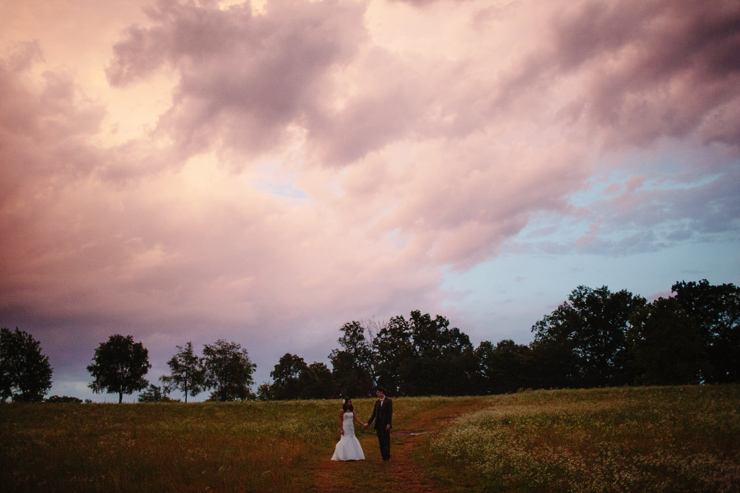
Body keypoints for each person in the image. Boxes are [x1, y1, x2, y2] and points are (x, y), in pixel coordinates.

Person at [364, 386, 393, 461]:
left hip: (385, 424)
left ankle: (387, 456)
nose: (377, 394)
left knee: (386, 440)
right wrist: (368, 423)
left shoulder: (389, 401)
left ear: (382, 392)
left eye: (378, 392)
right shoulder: (377, 402)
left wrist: (388, 424)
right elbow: (374, 414)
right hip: (378, 424)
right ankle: (383, 456)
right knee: (381, 440)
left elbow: (389, 413)